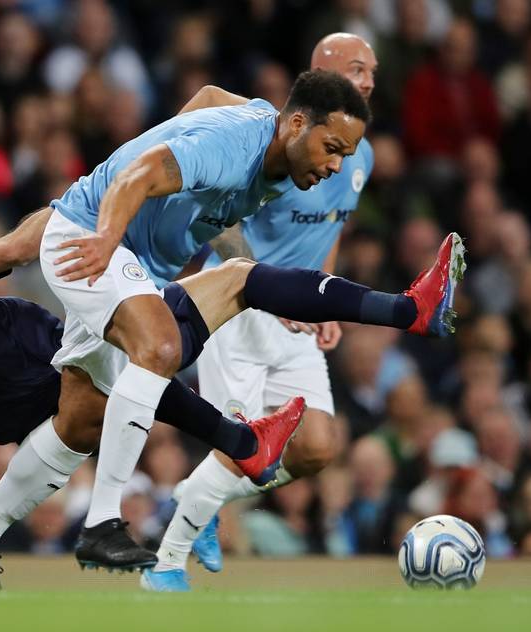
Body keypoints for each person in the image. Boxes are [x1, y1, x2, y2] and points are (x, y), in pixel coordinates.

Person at [0, 208, 462, 589]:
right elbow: (23, 246)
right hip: (62, 361)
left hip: (36, 417)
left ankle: (241, 443)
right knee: (237, 278)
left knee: (129, 368)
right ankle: (405, 310)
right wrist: (81, 207)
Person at [36, 68, 384, 571]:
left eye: (343, 154)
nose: (335, 164)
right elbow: (141, 171)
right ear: (297, 122)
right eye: (331, 148)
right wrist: (112, 236)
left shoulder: (289, 156)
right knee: (161, 356)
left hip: (191, 279)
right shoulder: (236, 145)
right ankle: (132, 538)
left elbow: (209, 96)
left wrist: (304, 291)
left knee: (83, 416)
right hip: (129, 254)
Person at [143, 33, 379, 592]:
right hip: (241, 306)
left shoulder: (358, 154)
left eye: (373, 70)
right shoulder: (276, 138)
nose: (369, 79)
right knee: (241, 447)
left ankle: (199, 497)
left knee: (316, 447)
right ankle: (166, 565)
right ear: (325, 69)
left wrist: (324, 295)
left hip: (297, 314)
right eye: (358, 68)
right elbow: (216, 216)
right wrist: (262, 281)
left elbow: (332, 228)